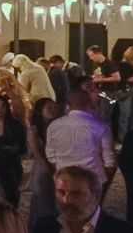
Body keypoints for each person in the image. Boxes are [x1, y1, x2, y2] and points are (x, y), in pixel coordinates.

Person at [45, 87, 116, 216]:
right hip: (93, 178)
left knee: (66, 213)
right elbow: (109, 161)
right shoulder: (99, 126)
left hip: (64, 179)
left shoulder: (54, 126)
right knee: (91, 215)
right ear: (89, 102)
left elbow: (50, 156)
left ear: (68, 104)